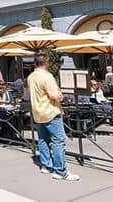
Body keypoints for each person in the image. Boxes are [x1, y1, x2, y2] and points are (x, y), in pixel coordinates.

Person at [27, 53, 79, 181]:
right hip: (50, 112)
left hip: (38, 112)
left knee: (43, 139)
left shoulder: (31, 76)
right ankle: (60, 171)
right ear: (46, 63)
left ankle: (46, 165)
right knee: (58, 141)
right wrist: (61, 95)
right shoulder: (47, 76)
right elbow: (55, 95)